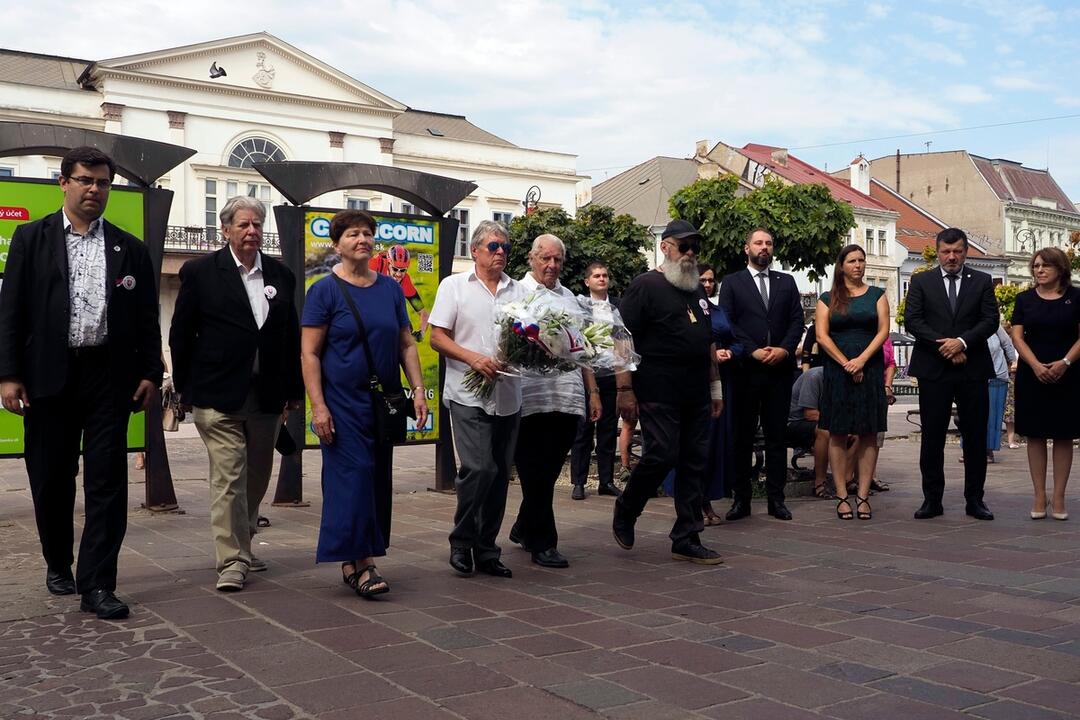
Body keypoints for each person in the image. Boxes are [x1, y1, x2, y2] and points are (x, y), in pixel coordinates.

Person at [0, 146, 162, 620]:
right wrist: (8, 375)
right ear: (64, 183)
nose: (95, 189)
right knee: (50, 478)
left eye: (103, 182)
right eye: (85, 180)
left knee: (107, 481)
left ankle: (98, 584)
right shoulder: (32, 238)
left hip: (107, 378)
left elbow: (146, 318)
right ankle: (58, 561)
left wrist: (152, 371)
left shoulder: (128, 247)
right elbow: (10, 312)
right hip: (48, 376)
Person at [169, 196, 303, 591]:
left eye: (258, 225)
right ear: (225, 230)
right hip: (218, 394)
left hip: (265, 398)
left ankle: (242, 542)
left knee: (257, 476)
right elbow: (180, 335)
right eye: (243, 224)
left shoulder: (280, 274)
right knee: (228, 477)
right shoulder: (201, 272)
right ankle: (231, 560)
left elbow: (287, 335)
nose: (252, 231)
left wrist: (293, 391)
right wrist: (186, 388)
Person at [301, 210, 428, 597]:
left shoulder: (390, 290)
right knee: (351, 478)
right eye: (354, 234)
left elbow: (406, 343)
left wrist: (418, 390)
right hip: (342, 403)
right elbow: (310, 354)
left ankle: (359, 556)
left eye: (368, 234)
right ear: (337, 245)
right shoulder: (323, 291)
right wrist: (318, 407)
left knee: (375, 478)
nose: (363, 240)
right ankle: (360, 563)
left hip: (382, 402)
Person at [612, 219, 724, 565]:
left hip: (695, 391)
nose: (690, 254)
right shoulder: (645, 285)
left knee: (694, 459)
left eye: (695, 248)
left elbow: (707, 343)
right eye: (684, 246)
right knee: (662, 452)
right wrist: (624, 388)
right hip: (657, 387)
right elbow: (621, 338)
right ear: (665, 247)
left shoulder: (695, 290)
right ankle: (627, 508)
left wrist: (715, 389)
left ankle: (687, 536)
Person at [429, 220, 523, 578]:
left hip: (509, 393)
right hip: (468, 392)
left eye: (505, 248)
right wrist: (473, 359)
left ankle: (486, 548)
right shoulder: (454, 286)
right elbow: (437, 337)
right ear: (475, 250)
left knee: (499, 475)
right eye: (493, 247)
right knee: (480, 468)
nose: (500, 253)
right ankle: (461, 539)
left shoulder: (518, 291)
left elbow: (533, 335)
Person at [508, 235, 601, 568]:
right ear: (532, 258)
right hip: (529, 396)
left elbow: (583, 350)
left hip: (568, 395)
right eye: (546, 258)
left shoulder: (572, 300)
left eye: (557, 260)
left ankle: (523, 526)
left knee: (547, 472)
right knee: (534, 469)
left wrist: (592, 392)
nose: (552, 265)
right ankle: (543, 543)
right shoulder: (516, 294)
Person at [904, 227, 999, 520]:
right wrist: (943, 345)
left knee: (975, 436)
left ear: (966, 251)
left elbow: (990, 320)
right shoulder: (921, 281)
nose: (952, 257)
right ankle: (932, 499)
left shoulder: (982, 281)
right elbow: (913, 321)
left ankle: (975, 500)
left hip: (973, 368)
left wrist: (962, 342)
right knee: (932, 437)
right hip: (934, 368)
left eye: (957, 251)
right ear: (938, 251)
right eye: (946, 251)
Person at [717, 228, 804, 521]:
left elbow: (796, 320)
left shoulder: (787, 282)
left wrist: (785, 349)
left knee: (777, 436)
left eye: (768, 243)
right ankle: (741, 499)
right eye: (758, 243)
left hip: (779, 371)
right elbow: (727, 322)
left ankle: (776, 500)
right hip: (746, 370)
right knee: (742, 437)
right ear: (747, 248)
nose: (764, 247)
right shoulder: (732, 283)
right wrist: (751, 349)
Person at [661, 262, 741, 525]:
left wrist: (730, 352)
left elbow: (737, 339)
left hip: (721, 383)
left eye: (711, 280)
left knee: (714, 445)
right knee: (693, 445)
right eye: (703, 280)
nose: (707, 284)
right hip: (693, 382)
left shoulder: (718, 311)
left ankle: (707, 497)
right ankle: (691, 503)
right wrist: (708, 354)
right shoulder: (683, 308)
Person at [814, 245, 889, 520]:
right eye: (852, 261)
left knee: (869, 431)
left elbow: (883, 331)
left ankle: (864, 495)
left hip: (869, 368)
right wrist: (847, 362)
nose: (858, 265)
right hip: (837, 369)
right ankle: (842, 495)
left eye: (862, 260)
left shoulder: (877, 295)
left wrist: (862, 360)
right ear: (841, 265)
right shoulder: (827, 298)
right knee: (838, 430)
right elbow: (822, 336)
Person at [1010, 248, 1080, 521]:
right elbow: (1017, 336)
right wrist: (1036, 365)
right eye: (1035, 266)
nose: (1039, 270)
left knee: (1063, 435)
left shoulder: (1076, 298)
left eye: (1045, 266)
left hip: (1069, 372)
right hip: (1033, 374)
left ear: (1060, 269)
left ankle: (1059, 495)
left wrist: (1065, 362)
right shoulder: (1024, 299)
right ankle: (1039, 494)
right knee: (1035, 435)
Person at [570, 261, 621, 500]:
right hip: (588, 373)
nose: (602, 279)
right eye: (597, 276)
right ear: (587, 281)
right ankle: (578, 481)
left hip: (612, 373)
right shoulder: (580, 306)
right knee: (583, 430)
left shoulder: (617, 307)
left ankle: (606, 480)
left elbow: (624, 340)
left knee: (609, 430)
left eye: (605, 275)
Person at [370, 244, 429, 341]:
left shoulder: (405, 280)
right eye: (395, 269)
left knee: (406, 328)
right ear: (388, 263)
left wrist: (421, 333)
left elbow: (424, 313)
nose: (398, 274)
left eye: (402, 270)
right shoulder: (375, 264)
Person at [985, 326, 1017, 464]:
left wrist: (1013, 361)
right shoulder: (967, 321)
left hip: (997, 376)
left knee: (992, 415)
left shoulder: (995, 327)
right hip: (973, 377)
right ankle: (969, 449)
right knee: (970, 414)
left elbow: (1007, 344)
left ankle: (988, 450)